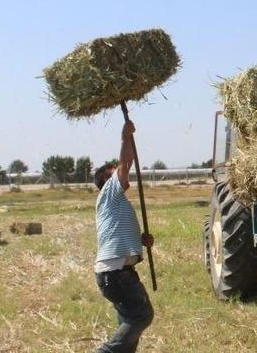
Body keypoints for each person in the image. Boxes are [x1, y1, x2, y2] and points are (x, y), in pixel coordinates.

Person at [92, 119, 154, 352]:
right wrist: (125, 137)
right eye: (115, 172)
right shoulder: (109, 192)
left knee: (129, 320)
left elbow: (116, 233)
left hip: (118, 272)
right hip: (115, 274)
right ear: (107, 182)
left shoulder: (116, 202)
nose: (121, 174)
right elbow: (125, 163)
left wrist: (140, 242)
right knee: (141, 316)